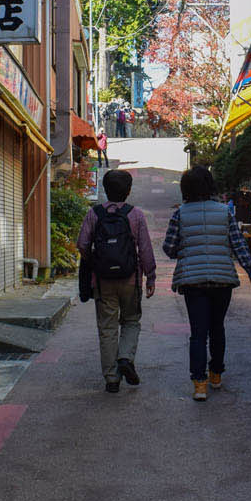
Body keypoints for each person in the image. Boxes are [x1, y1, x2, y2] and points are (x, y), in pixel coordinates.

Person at [161, 165, 251, 401]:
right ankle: (216, 373)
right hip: (222, 279)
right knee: (217, 328)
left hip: (193, 282)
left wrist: (185, 252)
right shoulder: (224, 211)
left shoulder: (180, 214)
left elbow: (169, 247)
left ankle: (199, 385)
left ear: (186, 189)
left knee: (198, 333)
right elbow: (238, 245)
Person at [77, 168, 156, 393]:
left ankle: (111, 378)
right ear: (129, 191)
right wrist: (150, 276)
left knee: (107, 327)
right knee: (131, 321)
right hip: (131, 280)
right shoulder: (136, 214)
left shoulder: (94, 214)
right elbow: (146, 250)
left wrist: (96, 262)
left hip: (103, 281)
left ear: (105, 189)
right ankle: (125, 358)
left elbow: (82, 244)